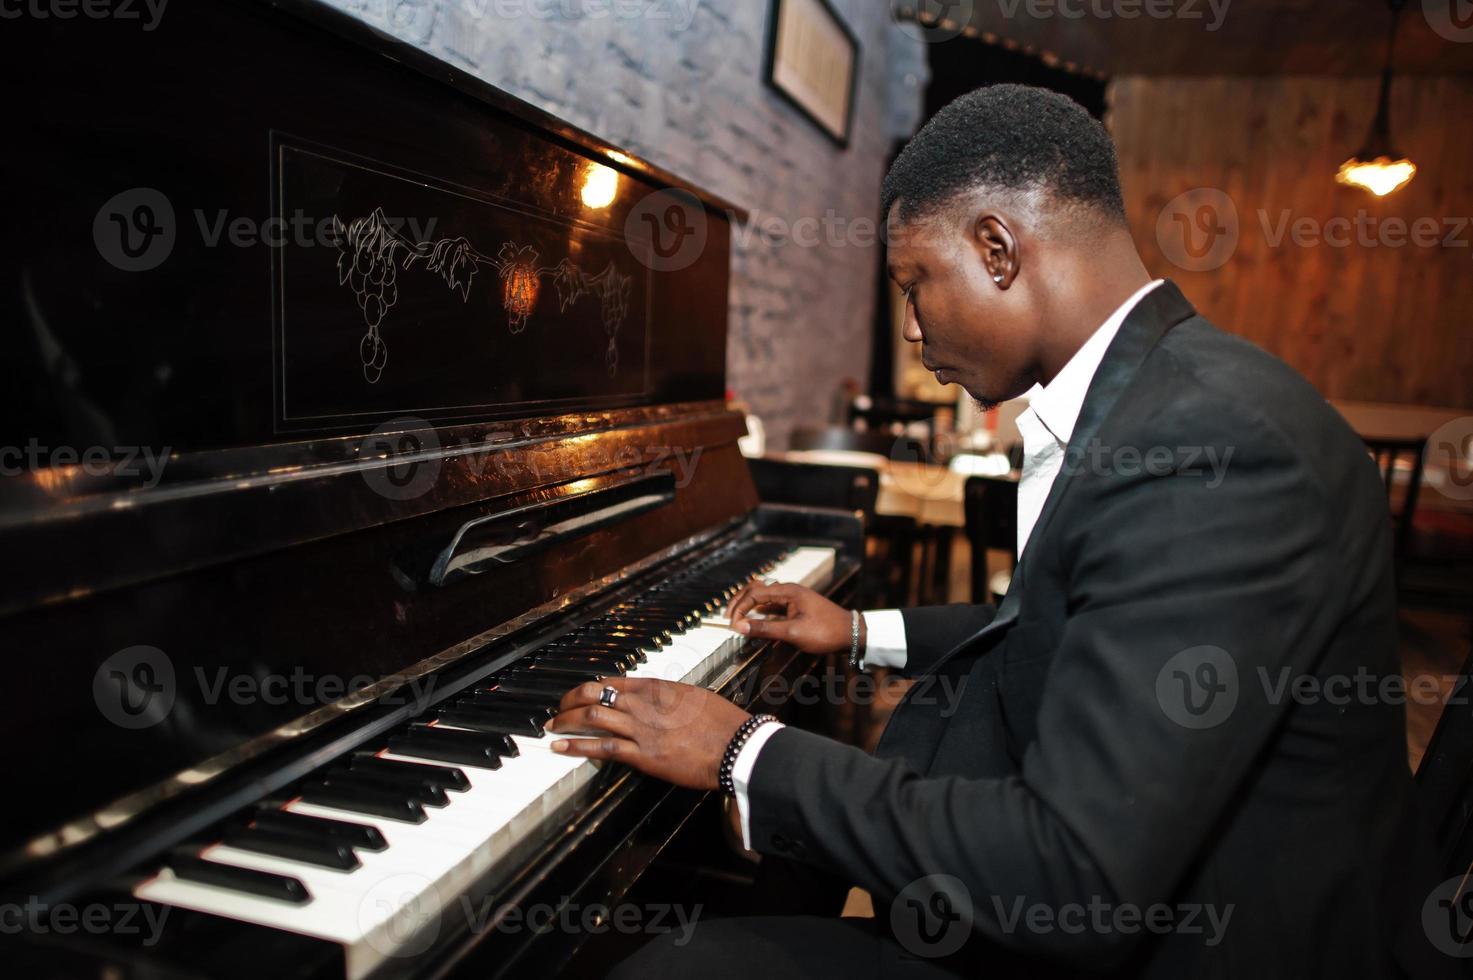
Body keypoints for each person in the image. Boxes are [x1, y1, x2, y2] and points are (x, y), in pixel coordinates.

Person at [546, 84, 1447, 978]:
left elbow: (1075, 874)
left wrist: (745, 751)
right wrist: (862, 630)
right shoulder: (1150, 395)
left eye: (914, 285)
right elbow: (1070, 623)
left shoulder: (1211, 447)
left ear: (996, 250)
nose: (909, 327)